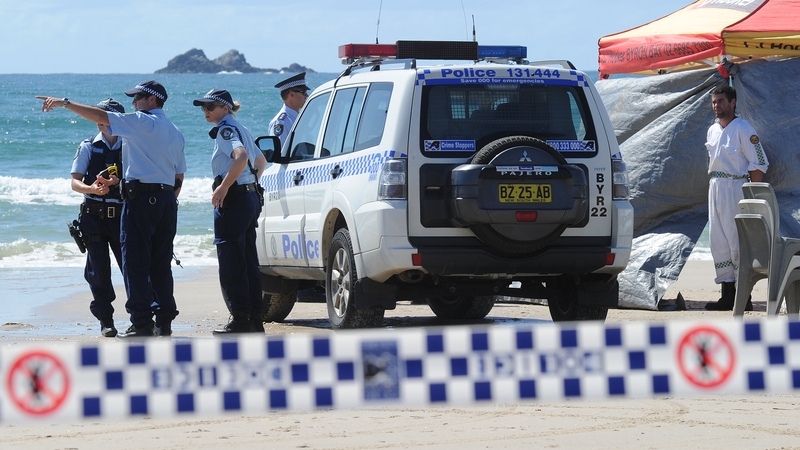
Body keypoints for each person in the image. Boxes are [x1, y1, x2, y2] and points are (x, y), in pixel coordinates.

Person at [38, 80, 186, 337]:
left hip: (141, 201)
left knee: (135, 264)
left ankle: (141, 323)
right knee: (160, 264)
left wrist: (64, 102)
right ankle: (164, 322)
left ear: (152, 100)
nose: (133, 103)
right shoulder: (174, 131)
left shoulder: (142, 121)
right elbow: (179, 177)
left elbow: (101, 116)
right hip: (166, 201)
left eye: (137, 98)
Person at [193, 89, 267, 334]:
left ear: (225, 108)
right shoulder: (241, 128)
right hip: (248, 197)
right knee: (247, 261)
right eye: (204, 107)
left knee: (231, 263)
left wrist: (224, 187)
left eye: (210, 107)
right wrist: (250, 185)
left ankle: (240, 319)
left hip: (235, 200)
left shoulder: (226, 129)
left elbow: (242, 156)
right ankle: (255, 319)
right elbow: (261, 162)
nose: (206, 111)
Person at [704, 85, 769, 311]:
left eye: (721, 101)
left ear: (733, 103)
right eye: (714, 102)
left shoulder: (743, 129)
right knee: (718, 241)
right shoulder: (712, 130)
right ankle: (727, 297)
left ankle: (744, 299)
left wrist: (752, 197)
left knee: (737, 242)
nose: (717, 105)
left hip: (736, 187)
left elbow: (759, 163)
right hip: (715, 187)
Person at [70, 98, 126, 337]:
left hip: (123, 216)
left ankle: (141, 318)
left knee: (132, 267)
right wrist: (92, 189)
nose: (99, 122)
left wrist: (119, 183)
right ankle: (106, 321)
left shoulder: (132, 145)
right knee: (98, 271)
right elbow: (75, 182)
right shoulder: (88, 146)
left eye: (102, 117)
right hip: (93, 215)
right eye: (97, 117)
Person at [268, 72, 311, 148]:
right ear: (291, 94)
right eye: (303, 92)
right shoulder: (281, 122)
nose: (307, 96)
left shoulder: (298, 117)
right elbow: (280, 153)